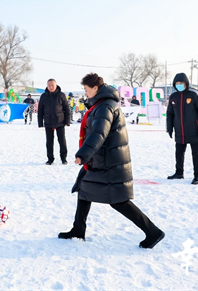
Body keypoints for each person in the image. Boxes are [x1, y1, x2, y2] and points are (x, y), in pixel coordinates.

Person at [58, 73, 165, 249]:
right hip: (101, 159)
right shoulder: (101, 105)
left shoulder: (106, 107)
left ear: (95, 88)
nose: (85, 93)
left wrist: (82, 154)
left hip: (110, 162)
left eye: (86, 89)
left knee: (118, 201)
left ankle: (153, 232)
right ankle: (78, 230)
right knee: (84, 188)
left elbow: (98, 134)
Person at [166, 73, 198, 185]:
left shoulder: (194, 94)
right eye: (177, 83)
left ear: (186, 83)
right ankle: (179, 172)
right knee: (179, 153)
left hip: (194, 130)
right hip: (180, 131)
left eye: (181, 83)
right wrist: (169, 128)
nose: (179, 85)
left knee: (196, 153)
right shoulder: (173, 97)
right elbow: (169, 113)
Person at [38, 79, 70, 165]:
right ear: (47, 86)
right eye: (49, 85)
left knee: (62, 141)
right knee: (49, 142)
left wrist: (67, 121)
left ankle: (64, 158)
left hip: (60, 122)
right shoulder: (43, 96)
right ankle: (50, 159)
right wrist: (40, 123)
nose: (51, 87)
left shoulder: (61, 95)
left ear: (56, 85)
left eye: (52, 85)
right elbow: (40, 110)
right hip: (48, 122)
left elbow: (66, 108)